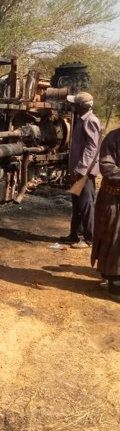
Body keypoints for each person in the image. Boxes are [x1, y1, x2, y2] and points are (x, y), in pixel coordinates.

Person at [60, 92, 101, 249]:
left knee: (86, 205)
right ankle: (74, 235)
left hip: (84, 172)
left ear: (82, 106)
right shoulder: (81, 120)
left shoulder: (90, 121)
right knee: (77, 205)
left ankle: (89, 239)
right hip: (79, 171)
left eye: (75, 104)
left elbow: (92, 148)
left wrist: (81, 169)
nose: (73, 106)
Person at [91, 125, 120, 302]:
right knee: (113, 239)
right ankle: (115, 285)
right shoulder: (113, 138)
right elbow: (107, 167)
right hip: (113, 199)